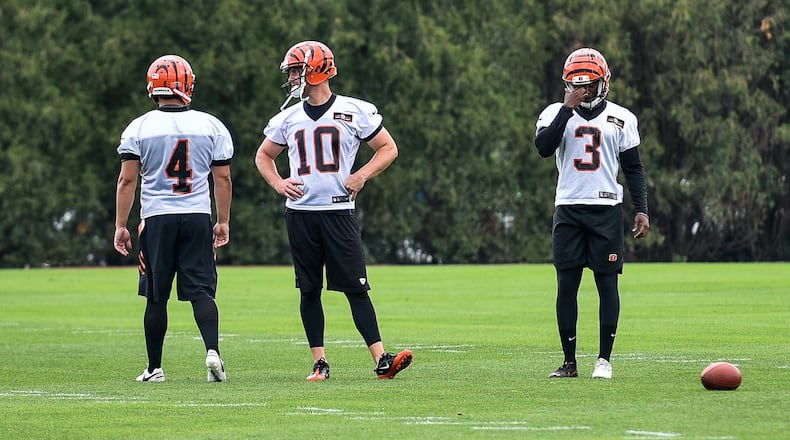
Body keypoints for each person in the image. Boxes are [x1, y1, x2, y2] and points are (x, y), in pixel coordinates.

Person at [255, 41, 412, 381]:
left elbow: (388, 148)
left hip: (339, 212)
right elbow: (263, 156)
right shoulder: (287, 117)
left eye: (296, 70)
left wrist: (361, 175)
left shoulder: (354, 110)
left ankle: (382, 358)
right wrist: (279, 183)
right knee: (309, 289)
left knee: (356, 287)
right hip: (300, 214)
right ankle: (320, 362)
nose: (292, 77)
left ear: (315, 70)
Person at [114, 54, 234, 383]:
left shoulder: (139, 127)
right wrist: (222, 221)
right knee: (201, 291)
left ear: (154, 86)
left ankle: (154, 368)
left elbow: (127, 181)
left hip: (157, 219)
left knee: (156, 296)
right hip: (196, 215)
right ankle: (213, 352)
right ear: (187, 85)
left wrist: (121, 226)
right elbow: (222, 179)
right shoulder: (211, 125)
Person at [534, 47, 650, 379]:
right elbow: (544, 148)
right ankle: (569, 362)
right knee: (566, 285)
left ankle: (604, 359)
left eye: (589, 85)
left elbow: (634, 169)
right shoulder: (555, 112)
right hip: (568, 208)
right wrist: (567, 110)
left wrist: (641, 209)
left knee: (607, 284)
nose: (583, 91)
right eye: (577, 85)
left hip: (606, 209)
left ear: (604, 83)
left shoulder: (622, 117)